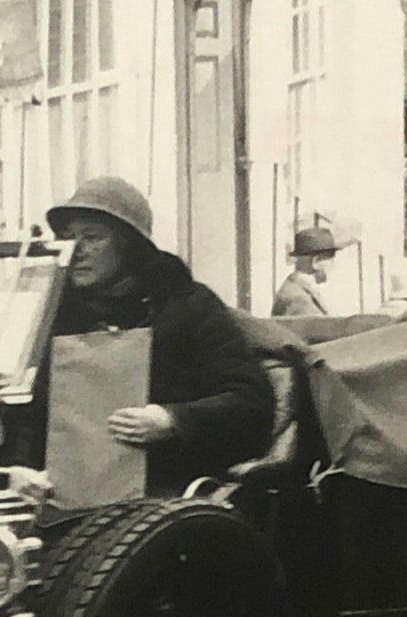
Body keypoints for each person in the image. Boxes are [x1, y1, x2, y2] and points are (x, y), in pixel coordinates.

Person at [47, 176, 274, 495]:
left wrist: (172, 420)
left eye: (92, 237)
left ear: (130, 244)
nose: (76, 251)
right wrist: (20, 468)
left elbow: (251, 401)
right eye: (67, 237)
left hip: (168, 491)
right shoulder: (56, 313)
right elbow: (31, 413)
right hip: (63, 491)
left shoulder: (187, 306)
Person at [272, 226, 338, 318]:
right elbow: (316, 326)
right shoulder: (299, 299)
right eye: (330, 259)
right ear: (316, 262)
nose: (333, 266)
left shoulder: (297, 288)